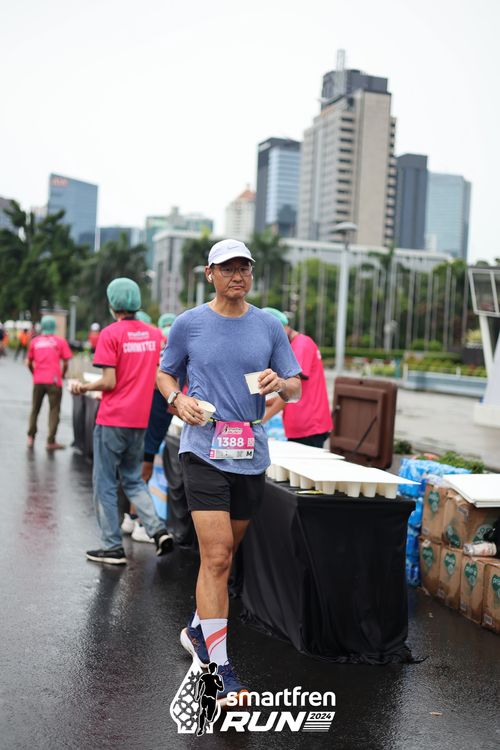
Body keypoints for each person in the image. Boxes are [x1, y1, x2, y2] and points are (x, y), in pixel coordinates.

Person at [157, 238, 301, 703]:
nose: (238, 275)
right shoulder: (189, 323)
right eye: (228, 268)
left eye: (244, 268)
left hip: (249, 454)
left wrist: (280, 383)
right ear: (210, 273)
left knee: (225, 554)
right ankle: (219, 670)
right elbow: (165, 373)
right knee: (217, 556)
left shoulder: (269, 326)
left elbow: (296, 388)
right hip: (202, 449)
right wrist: (177, 398)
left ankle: (197, 629)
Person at [70, 277, 174, 565]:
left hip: (113, 418)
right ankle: (157, 530)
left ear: (112, 303)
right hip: (140, 420)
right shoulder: (155, 335)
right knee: (133, 479)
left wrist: (82, 387)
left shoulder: (111, 334)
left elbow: (109, 381)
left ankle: (112, 546)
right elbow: (158, 376)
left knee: (104, 481)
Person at [262, 307, 333, 447]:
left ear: (280, 327)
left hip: (309, 426)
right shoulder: (294, 345)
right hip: (300, 425)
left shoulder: (301, 345)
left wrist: (263, 419)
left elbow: (291, 389)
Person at [26, 315, 72, 450]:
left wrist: (34, 373)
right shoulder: (60, 342)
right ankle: (50, 441)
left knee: (35, 408)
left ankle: (31, 437)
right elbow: (66, 363)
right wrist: (62, 375)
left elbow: (29, 362)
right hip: (54, 380)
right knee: (54, 410)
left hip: (38, 380)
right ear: (54, 327)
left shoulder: (35, 341)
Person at [196, 662, 223, 736]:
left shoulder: (217, 677)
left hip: (211, 699)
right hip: (206, 697)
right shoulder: (205, 676)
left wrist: (215, 684)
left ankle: (206, 715)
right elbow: (200, 684)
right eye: (213, 669)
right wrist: (198, 695)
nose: (213, 670)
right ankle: (201, 729)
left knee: (210, 718)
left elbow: (221, 688)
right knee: (202, 712)